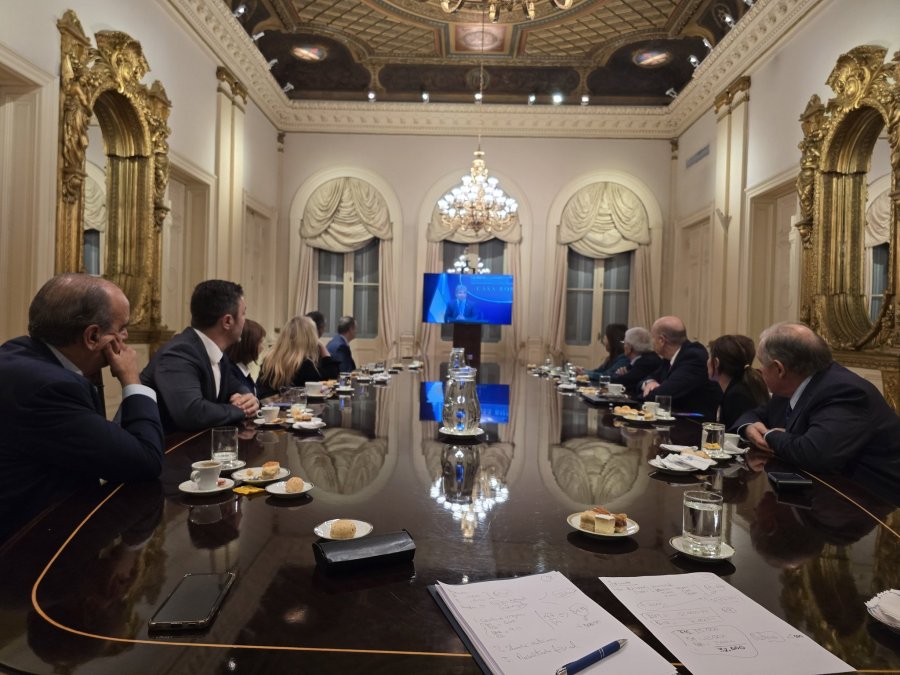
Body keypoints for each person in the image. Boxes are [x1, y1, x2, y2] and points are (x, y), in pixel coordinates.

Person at [0, 273, 164, 541]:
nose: (125, 338)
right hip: (31, 551)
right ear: (93, 336)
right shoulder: (49, 388)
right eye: (122, 328)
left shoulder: (21, 353)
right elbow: (145, 460)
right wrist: (132, 380)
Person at [735, 321, 900, 502]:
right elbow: (755, 415)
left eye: (762, 364)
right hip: (823, 495)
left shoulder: (844, 392)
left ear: (779, 369)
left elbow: (815, 453)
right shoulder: (792, 387)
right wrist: (749, 428)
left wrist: (769, 435)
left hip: (872, 506)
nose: (760, 371)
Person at [141, 280, 259, 432]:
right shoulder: (179, 353)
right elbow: (192, 412)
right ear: (227, 321)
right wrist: (241, 410)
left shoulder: (217, 353)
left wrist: (247, 397)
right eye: (243, 313)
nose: (245, 320)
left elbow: (235, 384)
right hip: (159, 450)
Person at [640, 316, 722, 419]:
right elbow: (646, 379)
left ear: (661, 340)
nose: (652, 342)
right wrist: (649, 382)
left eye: (653, 337)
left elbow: (663, 396)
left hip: (693, 425)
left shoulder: (694, 357)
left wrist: (646, 393)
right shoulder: (669, 357)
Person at [257, 316, 340, 398]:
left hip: (267, 408)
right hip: (295, 409)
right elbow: (331, 376)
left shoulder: (268, 360)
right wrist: (322, 346)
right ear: (310, 339)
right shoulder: (304, 365)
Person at [708, 334, 769, 428]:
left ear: (716, 363)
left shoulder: (737, 396)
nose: (707, 361)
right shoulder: (741, 387)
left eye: (709, 357)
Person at [609, 327, 662, 397]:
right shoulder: (641, 359)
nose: (623, 346)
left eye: (624, 343)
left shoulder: (647, 362)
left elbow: (619, 382)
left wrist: (621, 376)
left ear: (629, 347)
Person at [224, 318, 267, 397]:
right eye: (260, 342)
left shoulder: (241, 370)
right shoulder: (231, 372)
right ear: (249, 344)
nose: (263, 347)